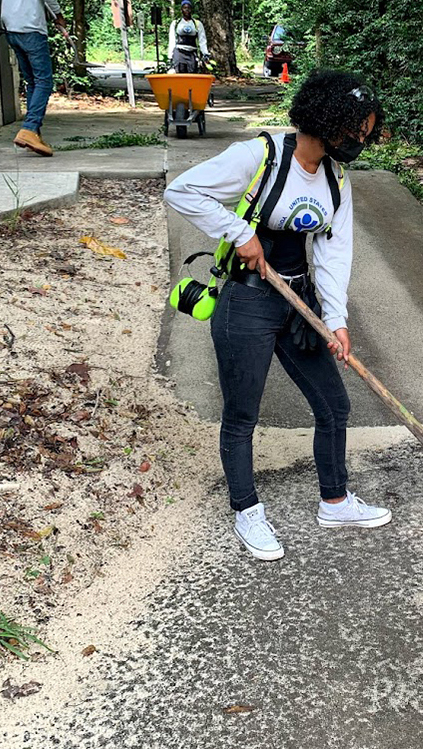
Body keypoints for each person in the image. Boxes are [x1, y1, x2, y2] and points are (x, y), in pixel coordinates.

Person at [164, 70, 388, 561]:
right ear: (328, 120)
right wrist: (240, 234)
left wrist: (337, 320)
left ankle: (335, 500)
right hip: (246, 300)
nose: (361, 141)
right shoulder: (259, 156)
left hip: (296, 301)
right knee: (243, 414)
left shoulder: (336, 178)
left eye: (366, 134)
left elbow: (334, 251)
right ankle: (247, 511)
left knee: (334, 406)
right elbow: (182, 191)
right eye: (357, 131)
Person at [0, 0, 68, 157]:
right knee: (44, 81)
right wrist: (58, 15)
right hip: (31, 27)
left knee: (32, 82)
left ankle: (34, 133)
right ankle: (29, 128)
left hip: (10, 27)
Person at [169, 0, 211, 74]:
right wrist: (170, 56)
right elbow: (172, 40)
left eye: (188, 8)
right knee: (179, 74)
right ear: (181, 9)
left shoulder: (197, 24)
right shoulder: (176, 23)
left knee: (192, 74)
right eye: (185, 8)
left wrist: (205, 53)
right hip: (179, 52)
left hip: (192, 53)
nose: (187, 10)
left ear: (191, 9)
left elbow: (202, 40)